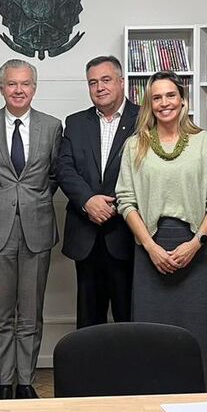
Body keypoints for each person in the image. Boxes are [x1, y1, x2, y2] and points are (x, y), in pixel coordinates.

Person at [116, 71, 207, 389]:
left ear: (182, 100)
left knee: (197, 335)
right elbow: (126, 201)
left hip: (196, 249)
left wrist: (195, 244)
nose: (164, 103)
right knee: (151, 336)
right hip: (150, 249)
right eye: (157, 97)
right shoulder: (135, 145)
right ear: (149, 105)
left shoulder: (206, 144)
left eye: (170, 95)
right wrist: (151, 247)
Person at [0, 60, 63, 400]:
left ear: (34, 88)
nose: (18, 90)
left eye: (25, 84)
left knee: (31, 312)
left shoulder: (52, 126)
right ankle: (2, 382)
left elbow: (56, 174)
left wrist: (33, 201)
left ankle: (25, 381)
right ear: (1, 88)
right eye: (11, 84)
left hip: (37, 229)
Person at [56, 55, 139, 328]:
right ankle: (91, 372)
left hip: (128, 233)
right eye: (93, 82)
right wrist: (88, 201)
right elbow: (64, 168)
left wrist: (114, 205)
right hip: (86, 234)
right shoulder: (76, 122)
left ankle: (127, 372)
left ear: (121, 82)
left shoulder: (143, 119)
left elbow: (148, 172)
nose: (99, 87)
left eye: (106, 80)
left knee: (129, 317)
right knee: (89, 322)